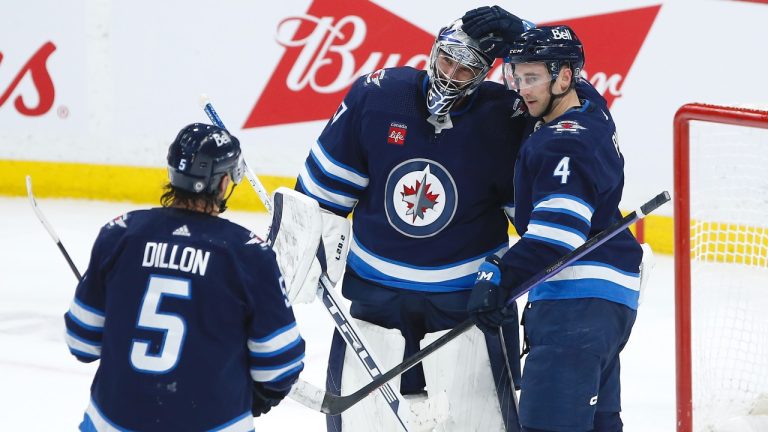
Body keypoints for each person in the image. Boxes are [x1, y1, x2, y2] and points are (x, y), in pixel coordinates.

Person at [287, 9, 543, 430]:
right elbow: (319, 197)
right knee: (363, 421)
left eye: (466, 68)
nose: (452, 73)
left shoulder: (508, 118)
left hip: (466, 302)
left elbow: (539, 222)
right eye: (447, 59)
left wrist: (530, 38)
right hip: (376, 293)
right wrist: (302, 255)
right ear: (434, 50)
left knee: (477, 420)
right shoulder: (378, 95)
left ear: (485, 75)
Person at [64, 123, 305, 431]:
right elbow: (279, 367)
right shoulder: (248, 254)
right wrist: (256, 396)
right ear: (222, 184)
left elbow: (81, 342)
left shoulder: (120, 234)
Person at [467, 26, 644, 432]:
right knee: (599, 424)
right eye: (517, 76)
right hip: (607, 306)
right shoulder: (592, 111)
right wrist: (519, 29)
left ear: (564, 78)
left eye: (533, 78)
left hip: (574, 310)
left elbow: (557, 237)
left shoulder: (562, 143)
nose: (522, 89)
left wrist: (498, 275)